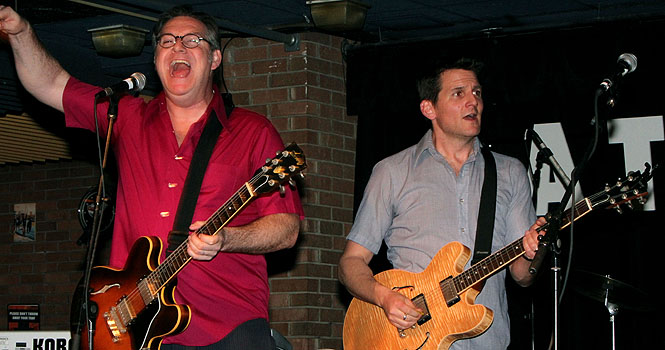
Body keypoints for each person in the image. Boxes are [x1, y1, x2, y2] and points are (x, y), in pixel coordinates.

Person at [1, 4, 303, 349]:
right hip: (135, 322)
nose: (178, 47)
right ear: (156, 57)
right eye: (167, 41)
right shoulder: (127, 116)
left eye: (193, 40)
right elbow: (51, 83)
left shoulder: (252, 131)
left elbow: (286, 229)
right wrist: (21, 33)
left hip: (227, 323)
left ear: (215, 58)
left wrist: (228, 239)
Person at [338, 58, 546, 349]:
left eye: (477, 92)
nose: (472, 101)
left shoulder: (510, 173)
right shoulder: (393, 172)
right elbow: (351, 262)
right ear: (429, 108)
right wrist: (383, 297)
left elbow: (522, 276)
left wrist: (535, 250)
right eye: (458, 93)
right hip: (410, 340)